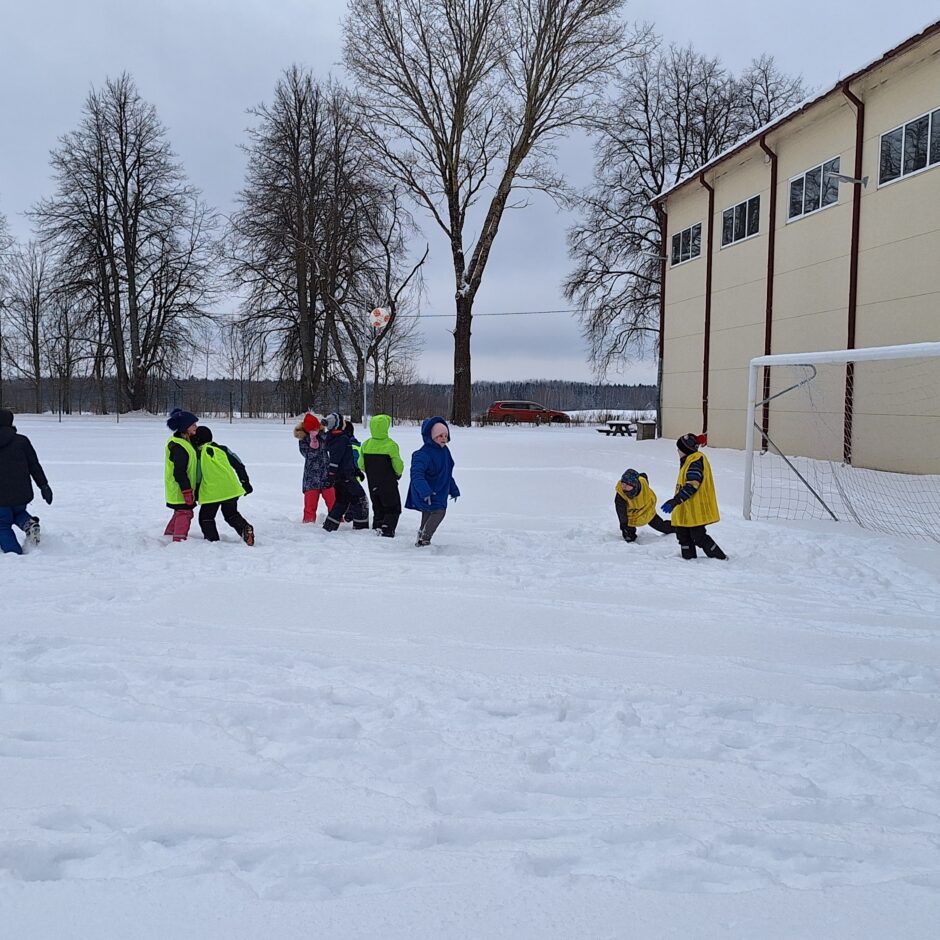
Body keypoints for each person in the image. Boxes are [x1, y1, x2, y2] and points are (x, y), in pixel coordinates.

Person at [660, 433, 727, 560]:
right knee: (682, 535)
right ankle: (688, 560)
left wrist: (675, 501)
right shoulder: (688, 460)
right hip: (686, 508)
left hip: (696, 509)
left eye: (679, 448)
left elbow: (692, 485)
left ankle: (720, 558)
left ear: (685, 450)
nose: (677, 451)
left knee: (699, 536)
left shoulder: (695, 461)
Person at [0, 409, 52, 554]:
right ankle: (29, 525)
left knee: (2, 524)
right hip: (21, 493)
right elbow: (34, 465)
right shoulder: (22, 441)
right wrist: (44, 485)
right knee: (18, 512)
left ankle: (13, 552)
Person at [192, 426, 255, 546]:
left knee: (206, 517)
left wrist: (196, 493)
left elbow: (198, 475)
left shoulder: (198, 454)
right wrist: (245, 483)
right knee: (231, 514)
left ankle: (213, 540)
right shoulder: (223, 449)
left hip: (211, 492)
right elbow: (239, 465)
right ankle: (245, 528)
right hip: (230, 490)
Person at [406, 416, 459, 547]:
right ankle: (425, 538)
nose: (443, 438)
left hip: (440, 490)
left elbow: (446, 473)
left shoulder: (445, 452)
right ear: (432, 436)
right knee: (439, 512)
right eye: (440, 435)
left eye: (445, 435)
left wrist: (453, 489)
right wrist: (424, 491)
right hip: (429, 491)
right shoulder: (423, 454)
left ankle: (421, 536)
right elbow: (416, 474)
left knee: (429, 512)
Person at [321, 412, 370, 531]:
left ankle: (329, 526)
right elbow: (335, 460)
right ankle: (361, 528)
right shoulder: (340, 439)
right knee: (361, 499)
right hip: (345, 476)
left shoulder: (337, 437)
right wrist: (331, 475)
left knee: (342, 500)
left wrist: (356, 470)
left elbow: (346, 459)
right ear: (338, 424)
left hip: (344, 475)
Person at [358, 414, 404, 537]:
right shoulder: (391, 445)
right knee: (393, 507)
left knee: (377, 506)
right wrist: (398, 473)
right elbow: (397, 463)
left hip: (373, 482)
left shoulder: (366, 444)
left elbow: (360, 464)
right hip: (388, 482)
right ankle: (387, 528)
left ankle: (377, 525)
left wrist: (370, 471)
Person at [164, 408, 199, 543]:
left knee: (180, 512)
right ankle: (178, 540)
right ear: (185, 427)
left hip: (181, 488)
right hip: (179, 488)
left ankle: (168, 535)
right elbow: (179, 471)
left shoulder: (184, 441)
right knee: (185, 513)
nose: (196, 427)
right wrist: (186, 491)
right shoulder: (179, 446)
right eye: (193, 424)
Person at [294, 413, 335, 523]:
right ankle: (308, 524)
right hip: (311, 478)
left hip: (326, 476)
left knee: (333, 502)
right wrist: (312, 443)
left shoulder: (324, 436)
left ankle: (339, 522)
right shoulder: (303, 439)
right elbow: (307, 455)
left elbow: (333, 444)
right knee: (310, 506)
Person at [615, 468, 673, 542]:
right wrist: (624, 525)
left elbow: (643, 475)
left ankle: (681, 527)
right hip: (632, 515)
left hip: (647, 509)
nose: (624, 487)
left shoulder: (642, 482)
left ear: (634, 484)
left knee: (662, 526)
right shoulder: (620, 495)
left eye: (627, 484)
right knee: (629, 537)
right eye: (623, 483)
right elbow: (621, 512)